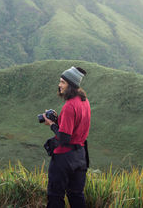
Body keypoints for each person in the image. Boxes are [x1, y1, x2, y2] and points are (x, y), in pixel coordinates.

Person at [42, 66, 91, 208]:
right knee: (76, 195)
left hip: (64, 157)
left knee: (55, 195)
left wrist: (51, 124)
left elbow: (64, 138)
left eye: (62, 82)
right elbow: (74, 128)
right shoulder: (84, 101)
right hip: (80, 155)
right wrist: (59, 121)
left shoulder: (69, 106)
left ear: (70, 85)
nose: (59, 85)